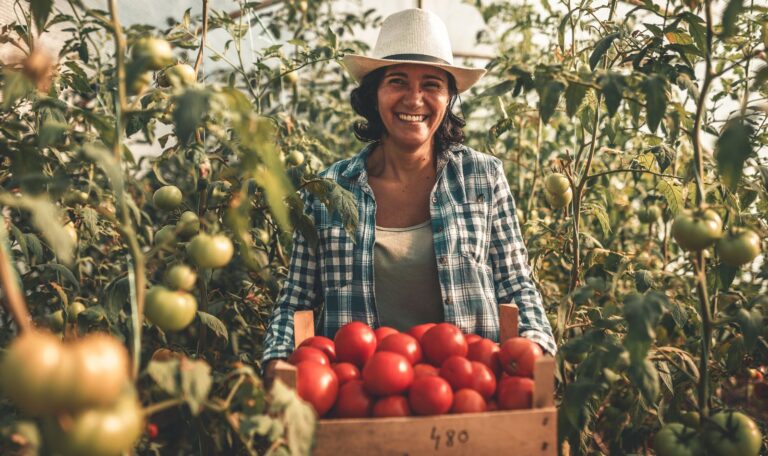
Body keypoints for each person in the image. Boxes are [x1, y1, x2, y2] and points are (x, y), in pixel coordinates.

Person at [261, 8, 555, 378]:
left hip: (469, 395)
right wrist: (277, 362)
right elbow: (296, 300)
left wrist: (534, 348)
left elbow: (516, 286)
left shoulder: (482, 177)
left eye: (432, 84)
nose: (414, 100)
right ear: (374, 95)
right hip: (359, 399)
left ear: (448, 98)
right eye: (397, 81)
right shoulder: (329, 191)